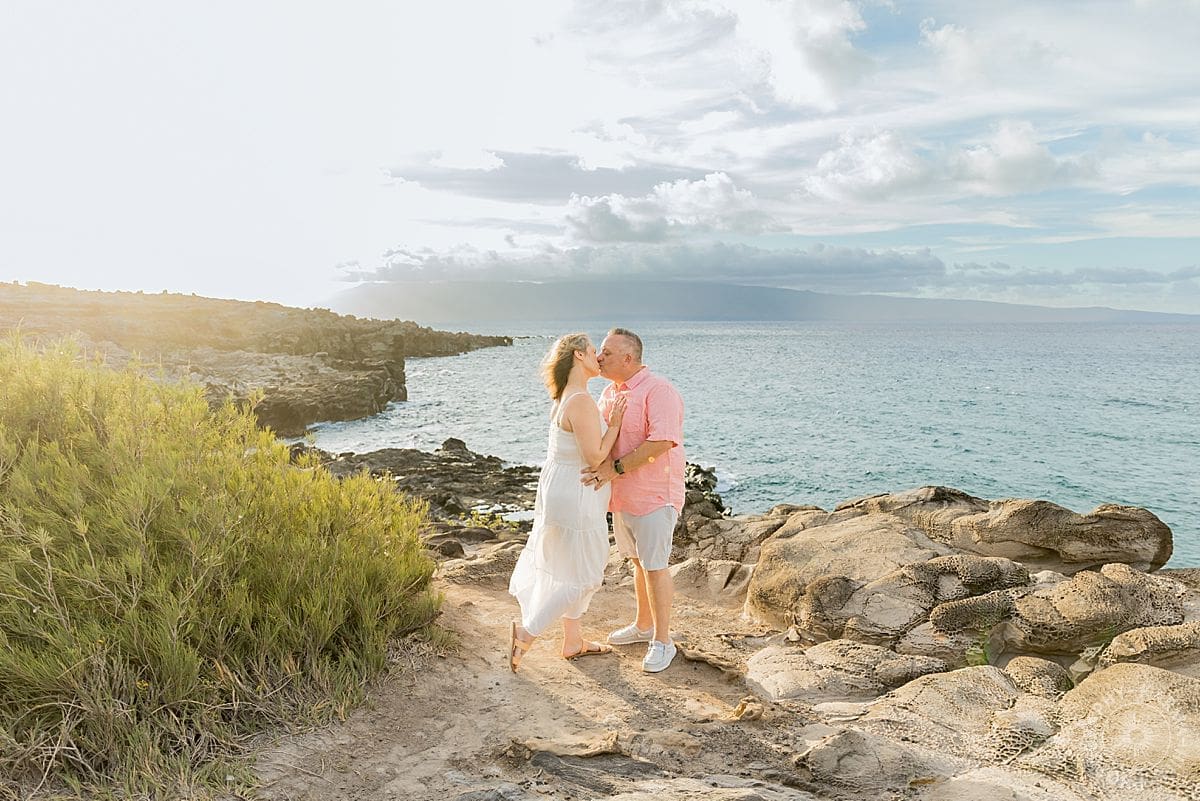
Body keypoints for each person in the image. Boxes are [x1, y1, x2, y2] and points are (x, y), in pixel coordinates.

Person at [508, 333, 627, 672]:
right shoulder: (580, 401)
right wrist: (615, 425)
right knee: (585, 575)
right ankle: (526, 633)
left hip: (561, 488)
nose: (598, 357)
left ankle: (573, 642)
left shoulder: (564, 397)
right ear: (578, 355)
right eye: (593, 351)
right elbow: (595, 457)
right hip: (577, 493)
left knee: (568, 567)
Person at [581, 328, 685, 673]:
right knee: (639, 563)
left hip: (655, 495)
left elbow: (662, 442)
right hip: (622, 496)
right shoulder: (609, 393)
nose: (599, 358)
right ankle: (643, 625)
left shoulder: (659, 390)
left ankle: (663, 641)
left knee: (655, 566)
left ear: (628, 358)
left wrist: (614, 469)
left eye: (606, 353)